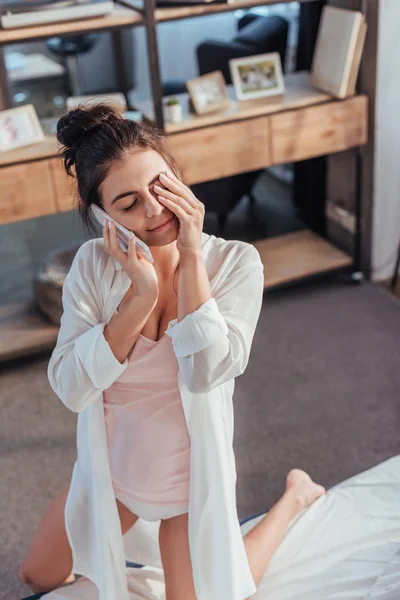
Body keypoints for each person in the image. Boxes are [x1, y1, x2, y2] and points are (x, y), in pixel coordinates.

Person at [19, 104, 326, 600]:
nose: (155, 211)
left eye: (160, 186)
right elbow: (71, 388)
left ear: (177, 175)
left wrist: (189, 257)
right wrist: (139, 297)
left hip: (187, 481)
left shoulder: (235, 263)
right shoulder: (92, 268)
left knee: (219, 588)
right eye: (128, 203)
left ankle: (294, 496)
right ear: (102, 216)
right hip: (116, 470)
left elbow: (208, 370)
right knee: (37, 576)